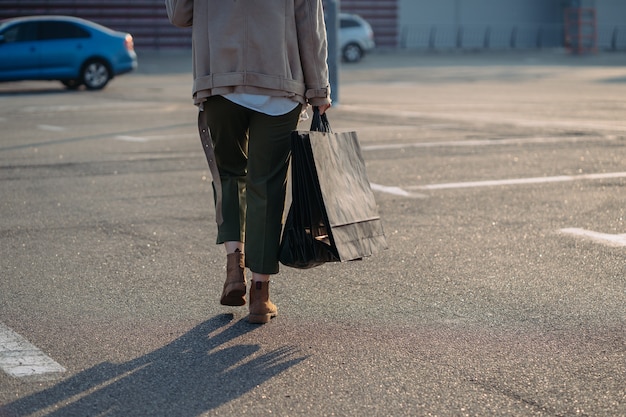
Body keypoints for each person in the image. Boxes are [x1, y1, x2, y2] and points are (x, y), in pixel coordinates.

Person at [165, 0, 332, 324]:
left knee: (228, 175)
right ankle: (259, 292)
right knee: (266, 187)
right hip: (280, 84)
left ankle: (233, 268)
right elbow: (309, 25)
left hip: (220, 81)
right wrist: (320, 90)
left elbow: (180, 15)